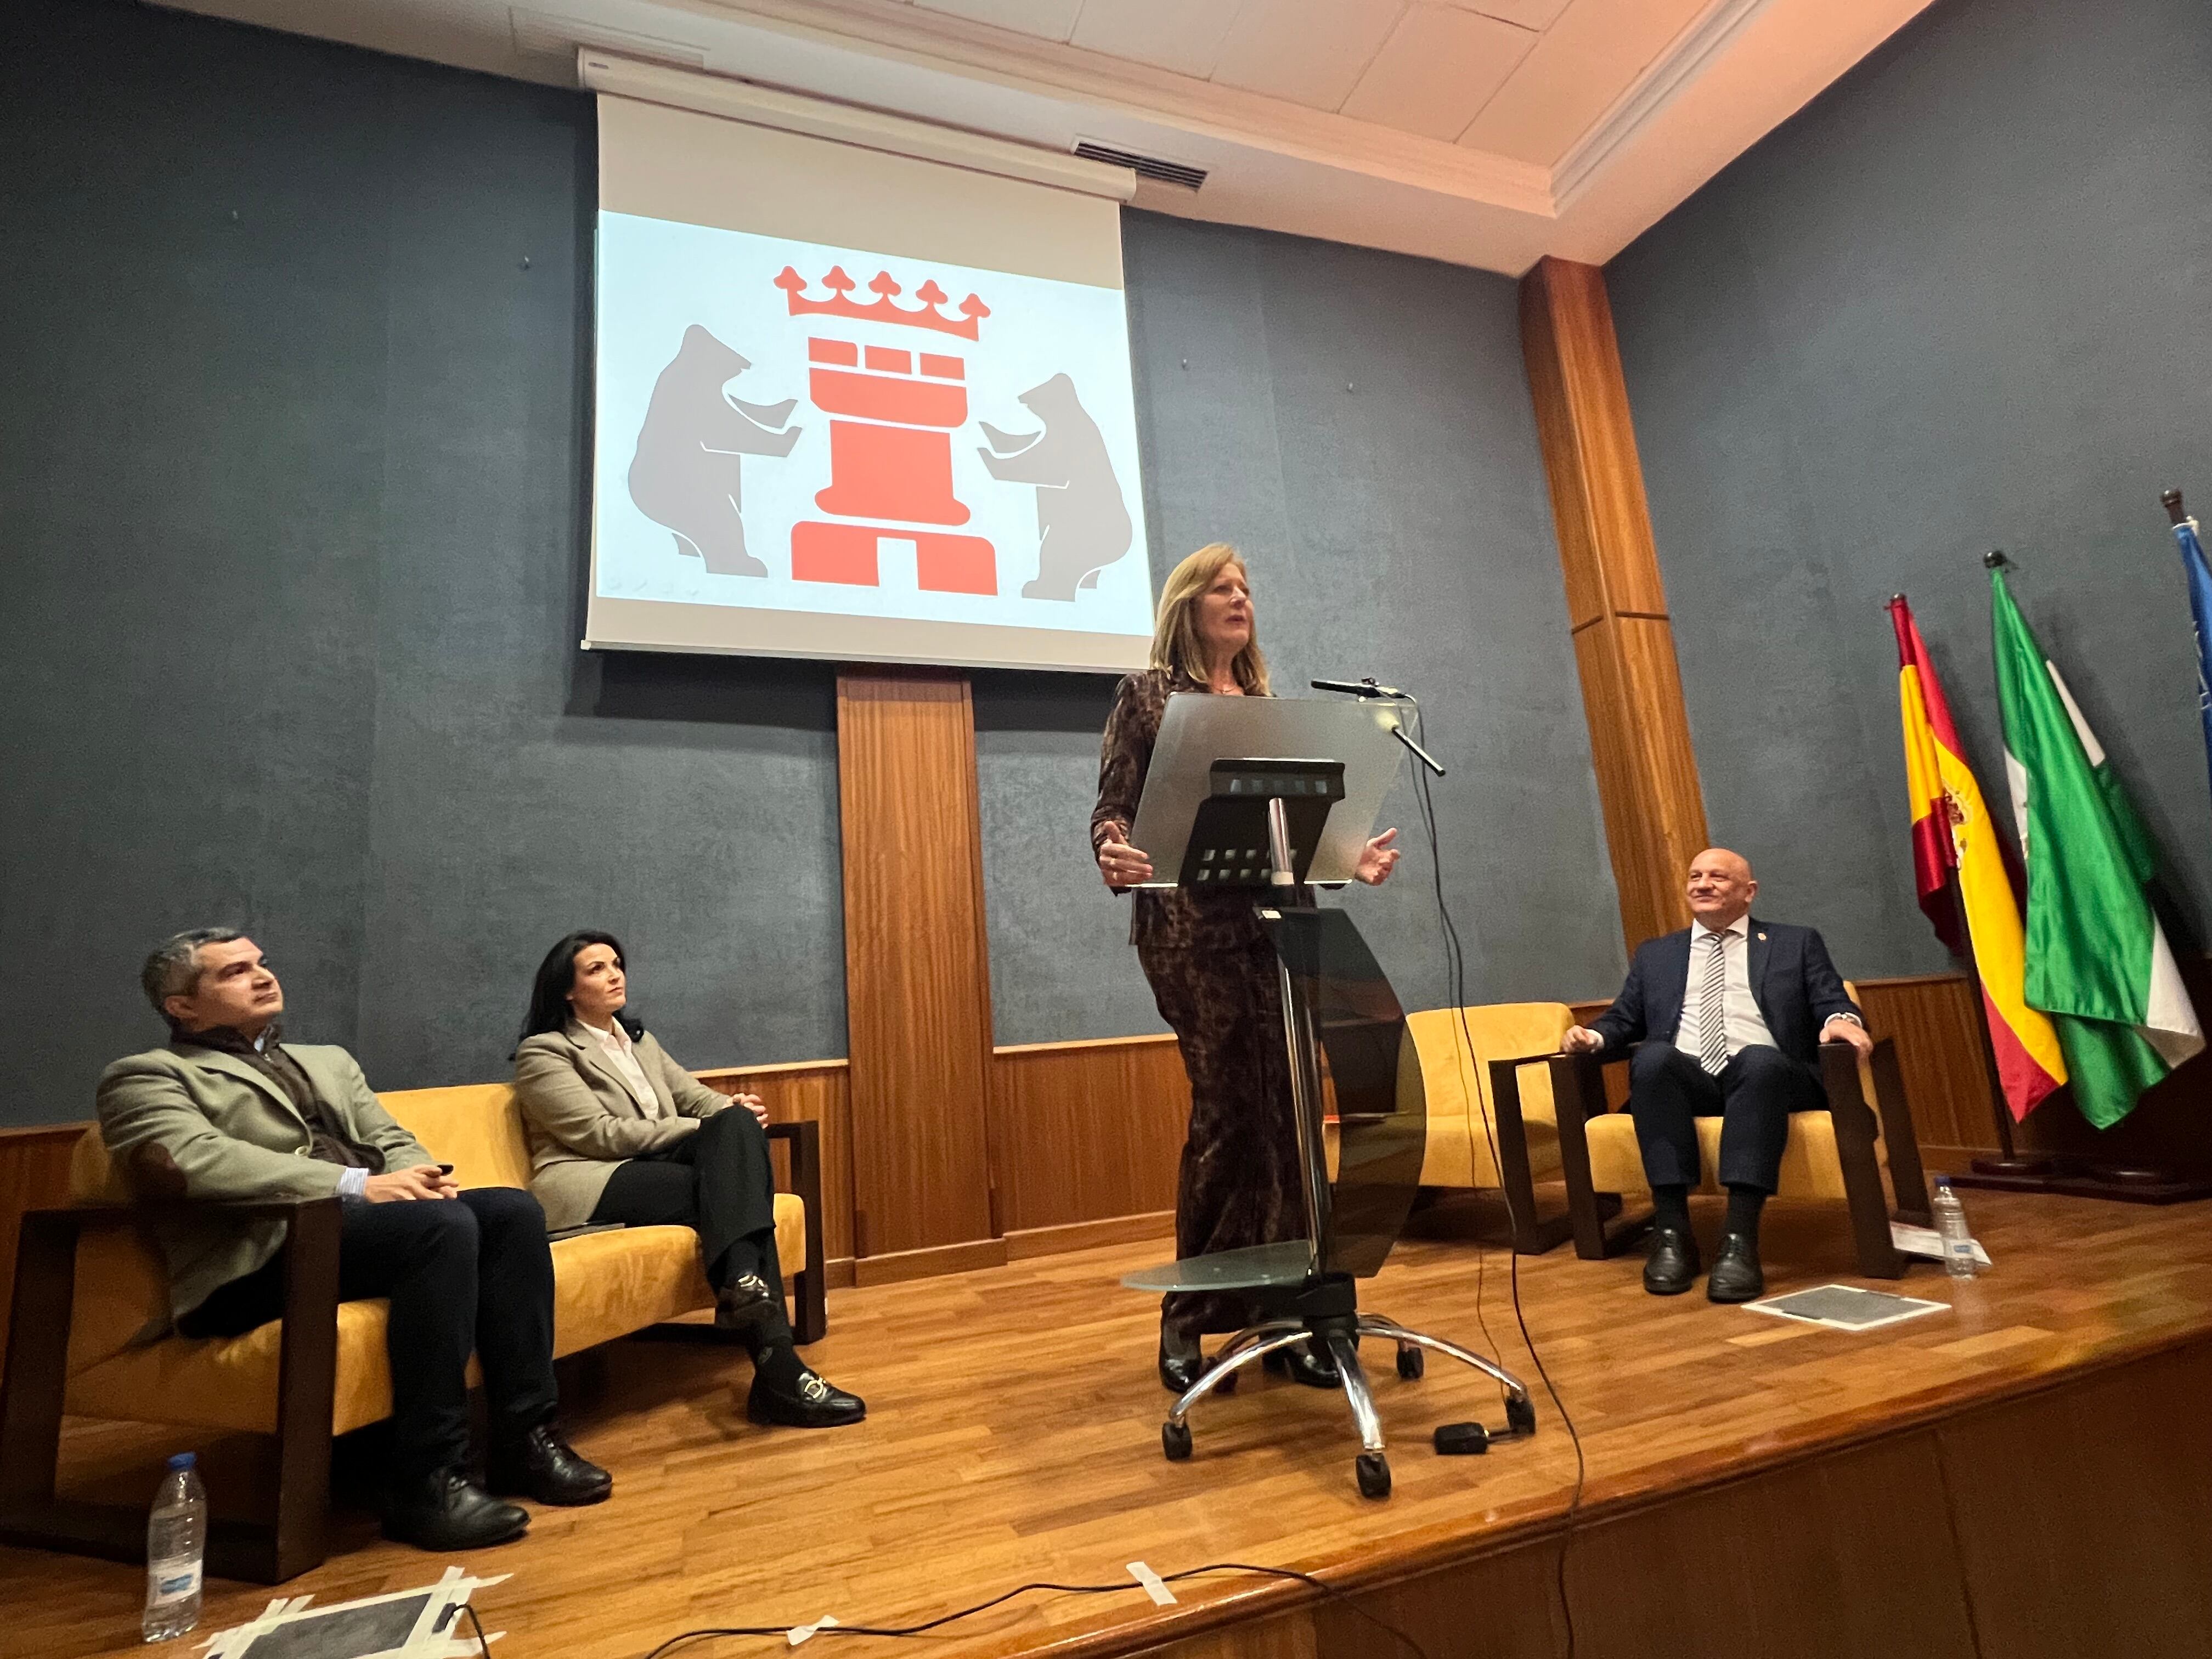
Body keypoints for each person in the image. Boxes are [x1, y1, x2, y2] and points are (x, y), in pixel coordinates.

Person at [97, 929, 608, 1553]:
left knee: (510, 1212)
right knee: (439, 1229)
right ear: (181, 1005)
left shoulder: (328, 1061)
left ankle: (525, 1441)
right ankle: (427, 1478)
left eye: (262, 962)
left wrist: (424, 1178)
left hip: (362, 1237)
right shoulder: (146, 1077)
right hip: (258, 1258)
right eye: (234, 972)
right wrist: (355, 1185)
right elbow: (195, 1159)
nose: (262, 976)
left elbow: (390, 1136)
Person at [1091, 544, 1402, 1393]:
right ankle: (1190, 1315)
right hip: (1194, 932)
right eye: (1222, 587)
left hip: (1283, 927)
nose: (1240, 598)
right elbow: (1113, 810)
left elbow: (1301, 831)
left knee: (1294, 1111)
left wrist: (1346, 856)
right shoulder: (1149, 696)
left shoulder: (1267, 707)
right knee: (1232, 1108)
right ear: (1187, 604)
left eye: (1247, 589)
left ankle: (1291, 1313)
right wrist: (1112, 854)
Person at [511, 931, 863, 1429]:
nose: (615, 975)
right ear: (566, 990)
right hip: (589, 1179)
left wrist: (732, 1112)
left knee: (736, 1128)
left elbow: (697, 1097)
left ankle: (746, 1289)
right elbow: (596, 1135)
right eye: (596, 969)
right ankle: (779, 1372)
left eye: (617, 964)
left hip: (653, 1167)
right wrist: (706, 1126)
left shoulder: (639, 1043)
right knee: (732, 1192)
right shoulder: (544, 1053)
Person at [1562, 849, 1874, 1301]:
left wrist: (1842, 1018)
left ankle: (1739, 1240)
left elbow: (1829, 999)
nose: (1702, 884)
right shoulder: (1657, 954)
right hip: (1692, 1083)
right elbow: (1624, 1019)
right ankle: (1672, 1234)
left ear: (1749, 893)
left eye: (1718, 877)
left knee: (1758, 1059)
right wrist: (1592, 1039)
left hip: (1770, 1081)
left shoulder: (1796, 942)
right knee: (1652, 1059)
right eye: (1695, 876)